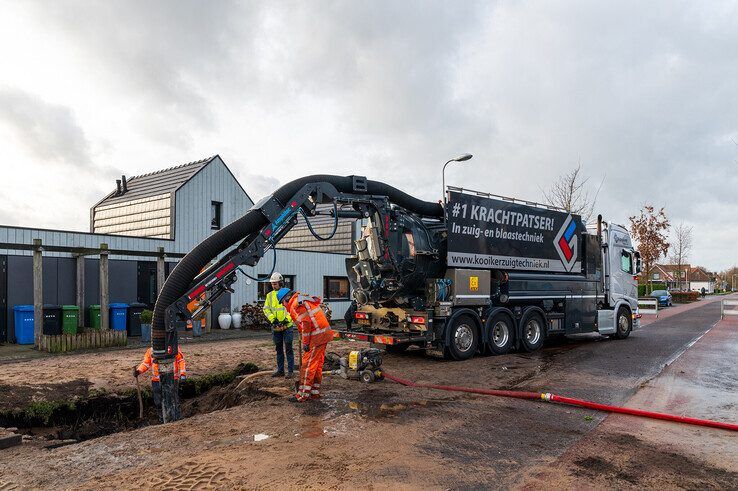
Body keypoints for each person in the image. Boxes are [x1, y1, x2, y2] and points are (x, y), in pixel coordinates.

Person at [277, 287, 333, 402]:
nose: (283, 306)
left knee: (307, 366)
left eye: (282, 303)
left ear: (286, 299)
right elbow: (304, 324)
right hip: (323, 334)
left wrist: (305, 343)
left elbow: (306, 324)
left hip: (316, 336)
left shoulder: (296, 304)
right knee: (316, 365)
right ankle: (314, 392)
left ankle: (303, 395)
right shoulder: (300, 300)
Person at [134, 347, 186, 421]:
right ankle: (162, 418)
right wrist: (139, 371)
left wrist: (182, 374)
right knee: (158, 402)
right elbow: (146, 363)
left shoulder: (173, 348)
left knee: (173, 399)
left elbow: (180, 360)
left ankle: (177, 418)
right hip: (156, 380)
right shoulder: (151, 351)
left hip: (172, 378)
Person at [262, 272, 295, 378]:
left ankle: (290, 371)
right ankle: (281, 370)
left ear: (281, 283)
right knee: (279, 349)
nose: (273, 285)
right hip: (276, 326)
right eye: (272, 284)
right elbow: (266, 309)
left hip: (287, 326)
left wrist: (287, 319)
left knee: (289, 348)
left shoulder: (287, 293)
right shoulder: (269, 295)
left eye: (275, 284)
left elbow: (293, 308)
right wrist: (273, 320)